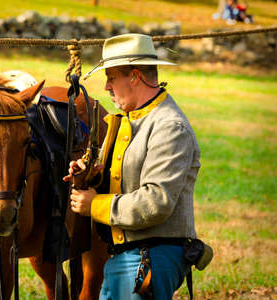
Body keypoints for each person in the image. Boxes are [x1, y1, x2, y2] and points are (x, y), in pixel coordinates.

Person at [63, 34, 201, 300]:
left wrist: (94, 204)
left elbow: (156, 202)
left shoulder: (169, 127)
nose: (106, 87)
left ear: (135, 76)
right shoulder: (127, 119)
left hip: (149, 258)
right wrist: (90, 175)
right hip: (127, 258)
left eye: (112, 78)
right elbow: (120, 177)